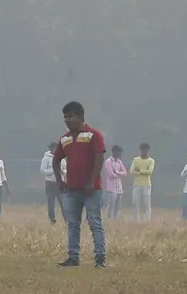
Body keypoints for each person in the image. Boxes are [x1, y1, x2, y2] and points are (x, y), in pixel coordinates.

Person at [52, 100, 106, 268]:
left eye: (70, 116)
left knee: (95, 222)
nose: (67, 120)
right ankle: (73, 257)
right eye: (65, 117)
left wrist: (91, 181)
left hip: (91, 189)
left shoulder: (93, 135)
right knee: (72, 224)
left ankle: (99, 259)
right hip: (72, 190)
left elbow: (99, 158)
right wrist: (59, 179)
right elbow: (56, 160)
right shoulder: (65, 139)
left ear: (80, 117)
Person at [130, 143, 155, 222]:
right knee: (135, 203)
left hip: (146, 184)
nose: (144, 152)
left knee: (147, 204)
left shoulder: (151, 161)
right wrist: (144, 171)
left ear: (148, 150)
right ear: (140, 150)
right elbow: (131, 171)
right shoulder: (135, 160)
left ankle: (146, 221)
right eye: (143, 150)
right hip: (137, 184)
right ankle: (136, 221)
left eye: (146, 150)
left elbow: (150, 172)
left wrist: (139, 171)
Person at [102, 146, 128, 220]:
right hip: (111, 187)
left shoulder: (119, 162)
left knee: (118, 205)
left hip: (119, 187)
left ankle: (115, 219)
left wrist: (116, 172)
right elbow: (111, 174)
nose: (120, 154)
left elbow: (125, 173)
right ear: (114, 152)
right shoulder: (108, 162)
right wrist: (119, 174)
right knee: (111, 205)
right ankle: (109, 219)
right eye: (119, 152)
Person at [41, 145, 60, 225]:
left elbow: (64, 168)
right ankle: (52, 219)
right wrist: (53, 170)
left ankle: (67, 219)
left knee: (63, 202)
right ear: (51, 149)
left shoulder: (61, 157)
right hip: (50, 183)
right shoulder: (46, 159)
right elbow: (42, 171)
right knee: (51, 203)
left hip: (60, 183)